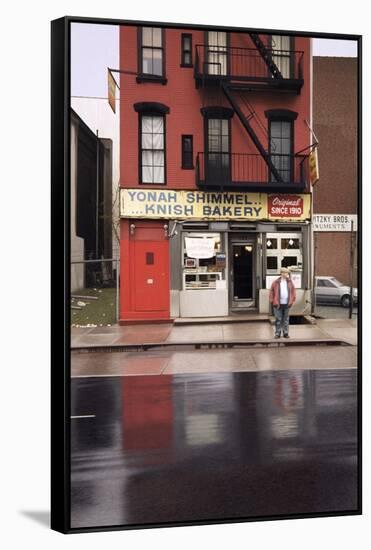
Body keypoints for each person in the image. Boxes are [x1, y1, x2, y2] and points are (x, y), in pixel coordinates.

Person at [269, 267, 296, 338]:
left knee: (286, 319)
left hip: (287, 303)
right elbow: (271, 291)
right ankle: (277, 333)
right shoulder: (275, 282)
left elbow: (293, 291)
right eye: (285, 273)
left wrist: (293, 300)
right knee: (278, 319)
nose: (287, 274)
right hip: (277, 303)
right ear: (281, 273)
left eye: (287, 273)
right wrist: (271, 300)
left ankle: (286, 333)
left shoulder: (290, 282)